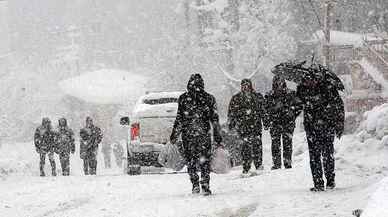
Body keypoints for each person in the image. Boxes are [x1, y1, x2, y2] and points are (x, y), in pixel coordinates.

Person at [170, 74, 222, 196]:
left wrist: (174, 134)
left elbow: (179, 118)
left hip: (188, 135)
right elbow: (214, 119)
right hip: (203, 135)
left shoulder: (184, 98)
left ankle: (195, 184)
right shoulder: (209, 98)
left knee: (191, 161)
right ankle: (205, 185)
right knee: (204, 161)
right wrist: (217, 135)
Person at [296, 70, 344, 191]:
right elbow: (296, 104)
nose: (309, 82)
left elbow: (338, 106)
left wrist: (339, 124)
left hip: (326, 126)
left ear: (317, 79)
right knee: (314, 156)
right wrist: (300, 89)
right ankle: (318, 183)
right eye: (306, 80)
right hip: (311, 128)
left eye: (311, 80)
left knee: (327, 154)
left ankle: (330, 181)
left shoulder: (328, 89)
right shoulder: (303, 90)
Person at [227, 79, 265, 175]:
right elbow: (231, 112)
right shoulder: (236, 98)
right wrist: (232, 123)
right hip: (243, 126)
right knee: (245, 147)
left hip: (255, 125)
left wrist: (265, 121)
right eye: (244, 85)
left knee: (257, 146)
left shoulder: (257, 97)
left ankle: (258, 164)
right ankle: (246, 166)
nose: (245, 87)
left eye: (247, 85)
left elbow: (263, 110)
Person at [264, 75, 302, 170]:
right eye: (277, 83)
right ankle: (277, 163)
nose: (279, 85)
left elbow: (299, 105)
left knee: (287, 143)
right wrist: (269, 118)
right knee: (275, 144)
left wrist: (292, 113)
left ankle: (287, 162)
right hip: (275, 123)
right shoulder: (269, 95)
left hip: (287, 122)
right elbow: (265, 109)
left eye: (281, 82)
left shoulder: (291, 94)